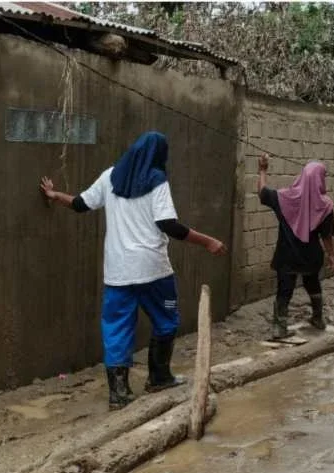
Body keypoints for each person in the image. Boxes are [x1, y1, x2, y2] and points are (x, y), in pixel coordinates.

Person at [39, 131, 227, 411]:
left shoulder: (109, 177)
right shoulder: (156, 181)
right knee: (166, 318)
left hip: (118, 271)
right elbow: (169, 225)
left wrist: (55, 195)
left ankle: (118, 393)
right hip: (154, 271)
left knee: (116, 328)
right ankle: (159, 377)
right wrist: (208, 241)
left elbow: (80, 204)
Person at [256, 153, 334, 340]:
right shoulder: (326, 206)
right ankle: (318, 318)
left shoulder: (284, 197)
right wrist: (331, 255)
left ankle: (279, 328)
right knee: (313, 283)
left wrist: (262, 170)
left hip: (286, 254)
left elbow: (262, 193)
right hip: (311, 255)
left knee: (284, 289)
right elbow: (326, 236)